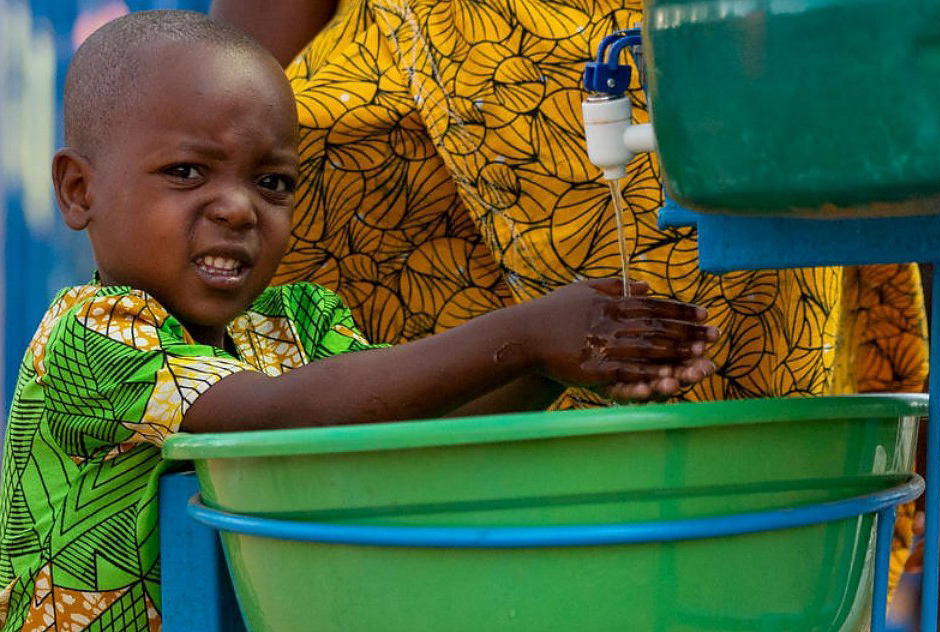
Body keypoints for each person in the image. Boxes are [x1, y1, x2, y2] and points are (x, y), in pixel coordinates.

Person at [0, 10, 718, 631]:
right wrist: (526, 332)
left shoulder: (297, 321)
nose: (239, 208)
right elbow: (278, 417)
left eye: (271, 182)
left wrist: (552, 366)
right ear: (78, 189)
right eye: (188, 172)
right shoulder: (91, 335)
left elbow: (406, 434)